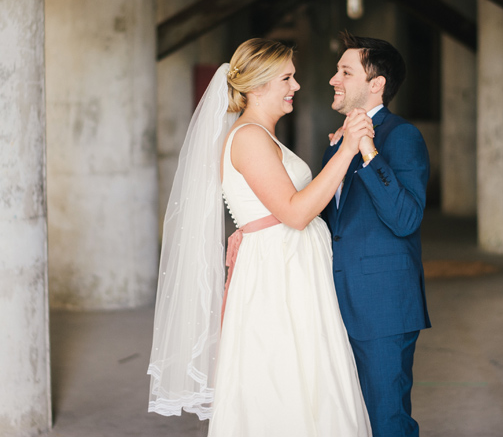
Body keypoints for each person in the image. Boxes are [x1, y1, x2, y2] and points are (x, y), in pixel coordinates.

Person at [148, 38, 373, 437]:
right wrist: (349, 150)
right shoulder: (250, 137)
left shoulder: (261, 135)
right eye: (287, 77)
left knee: (308, 382)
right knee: (284, 385)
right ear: (256, 86)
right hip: (277, 278)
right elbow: (296, 212)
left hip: (289, 267)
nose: (297, 86)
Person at [322, 31, 431, 437]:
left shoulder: (401, 136)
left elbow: (405, 219)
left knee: (387, 422)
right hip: (333, 301)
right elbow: (331, 223)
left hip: (382, 305)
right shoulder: (336, 143)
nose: (334, 79)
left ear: (376, 84)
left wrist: (367, 150)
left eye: (345, 72)